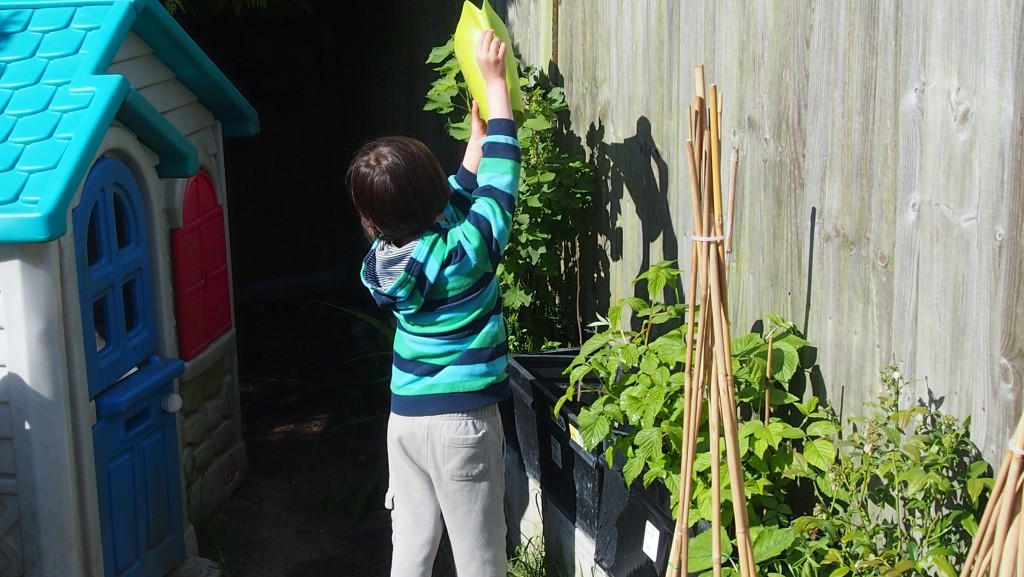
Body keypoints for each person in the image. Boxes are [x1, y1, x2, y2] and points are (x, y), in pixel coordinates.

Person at [346, 29, 520, 577]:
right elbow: (499, 188)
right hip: (460, 425)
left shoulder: (386, 257)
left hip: (407, 422)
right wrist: (498, 92)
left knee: (412, 554)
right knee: (481, 558)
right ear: (435, 200)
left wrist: (474, 141)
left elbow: (457, 197)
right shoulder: (466, 253)